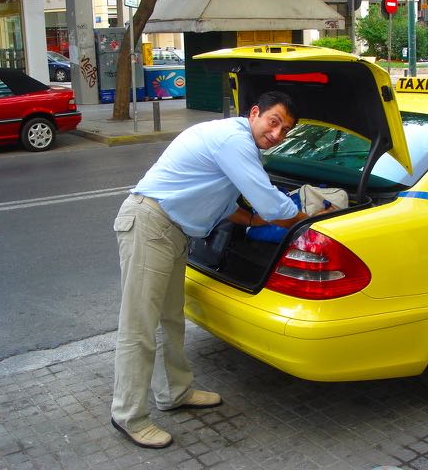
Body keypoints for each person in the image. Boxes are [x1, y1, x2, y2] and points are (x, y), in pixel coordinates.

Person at [110, 91, 313, 449]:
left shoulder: (234, 141)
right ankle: (129, 416)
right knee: (139, 325)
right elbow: (269, 201)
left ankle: (175, 392)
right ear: (255, 113)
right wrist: (308, 219)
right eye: (274, 121)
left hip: (171, 230)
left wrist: (250, 219)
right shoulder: (234, 141)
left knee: (169, 319)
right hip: (150, 223)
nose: (278, 134)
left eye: (286, 129)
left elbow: (219, 200)